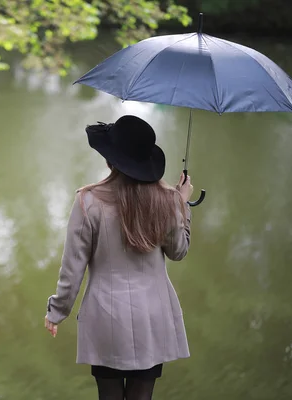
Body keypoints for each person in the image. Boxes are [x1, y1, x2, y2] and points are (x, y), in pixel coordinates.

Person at [44, 115, 194, 400]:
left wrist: (57, 311)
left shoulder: (88, 201)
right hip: (153, 314)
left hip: (106, 316)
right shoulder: (168, 200)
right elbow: (179, 252)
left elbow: (72, 268)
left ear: (110, 160)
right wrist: (182, 205)